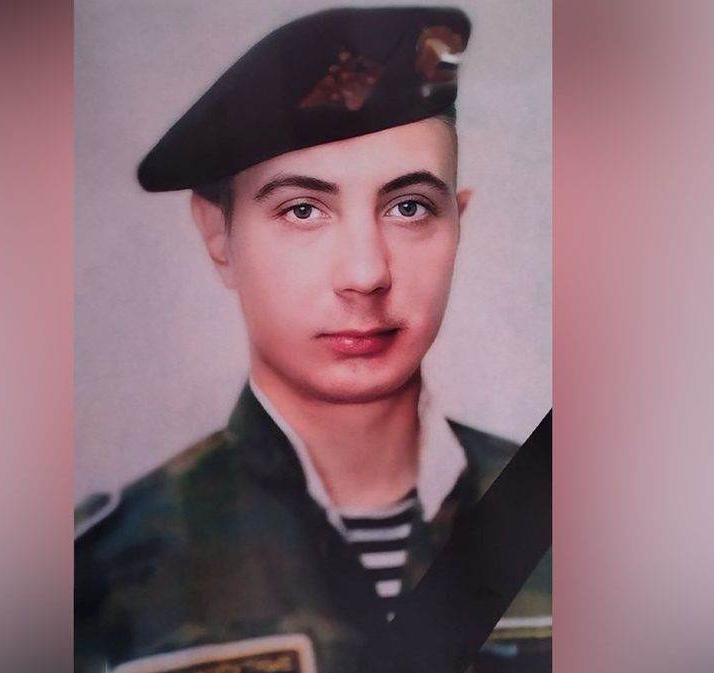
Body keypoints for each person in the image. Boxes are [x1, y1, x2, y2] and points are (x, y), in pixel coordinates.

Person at [75, 6, 550, 672]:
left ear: (457, 222)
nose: (366, 273)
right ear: (218, 234)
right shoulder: (101, 580)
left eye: (409, 207)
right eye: (303, 209)